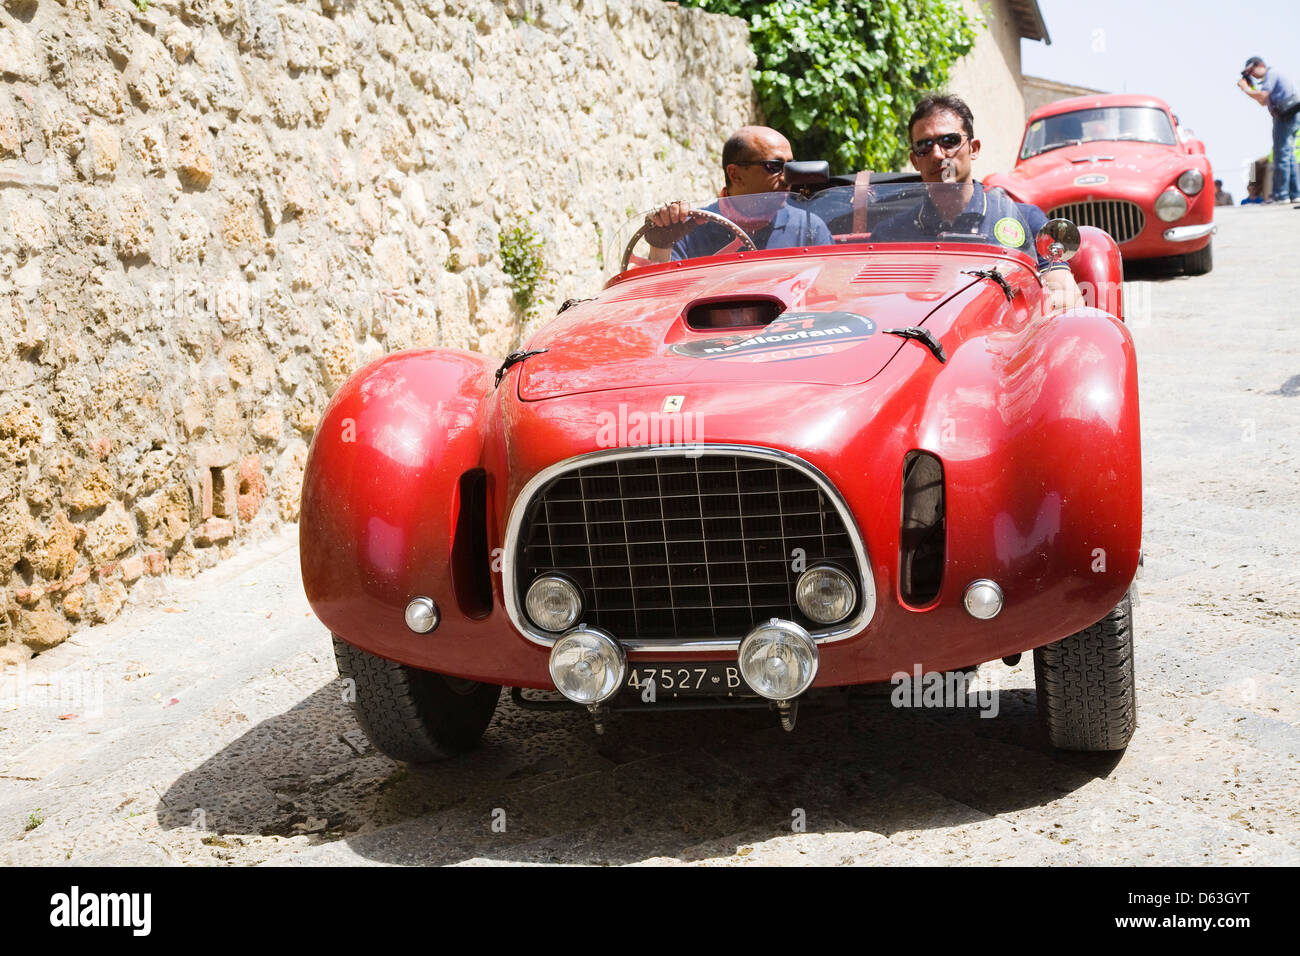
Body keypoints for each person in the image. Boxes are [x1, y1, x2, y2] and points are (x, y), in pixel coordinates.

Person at [870, 93, 1082, 313]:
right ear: (914, 160)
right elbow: (873, 307)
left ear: (974, 148)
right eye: (924, 145)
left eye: (949, 141)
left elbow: (1068, 300)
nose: (937, 154)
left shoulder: (1024, 221)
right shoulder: (889, 235)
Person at [643, 125, 831, 262]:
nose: (786, 178)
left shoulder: (809, 228)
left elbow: (830, 294)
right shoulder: (688, 230)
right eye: (774, 167)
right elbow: (662, 300)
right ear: (735, 175)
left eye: (789, 167)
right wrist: (660, 246)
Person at [1238, 56, 1300, 204]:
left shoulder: (1271, 75)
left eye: (1252, 71)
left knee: (1281, 157)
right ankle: (1293, 193)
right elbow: (1262, 100)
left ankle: (1282, 194)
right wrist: (1251, 88)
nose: (1252, 74)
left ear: (1259, 65)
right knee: (1283, 157)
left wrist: (1246, 88)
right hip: (1287, 124)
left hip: (1284, 120)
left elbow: (1263, 96)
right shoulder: (1273, 77)